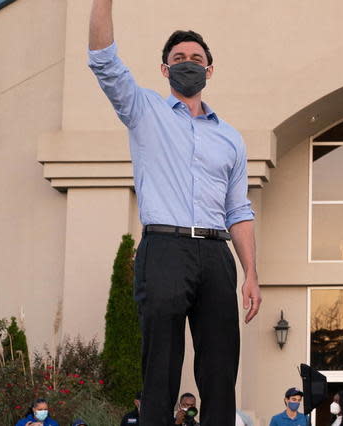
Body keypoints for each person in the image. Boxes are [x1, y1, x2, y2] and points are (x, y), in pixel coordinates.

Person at [87, 1, 261, 425]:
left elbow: (238, 209)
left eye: (196, 59)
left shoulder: (230, 139)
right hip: (163, 249)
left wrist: (251, 273)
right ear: (165, 70)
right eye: (179, 59)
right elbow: (103, 61)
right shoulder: (143, 111)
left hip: (217, 256)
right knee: (161, 367)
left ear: (210, 70)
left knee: (221, 370)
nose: (188, 64)